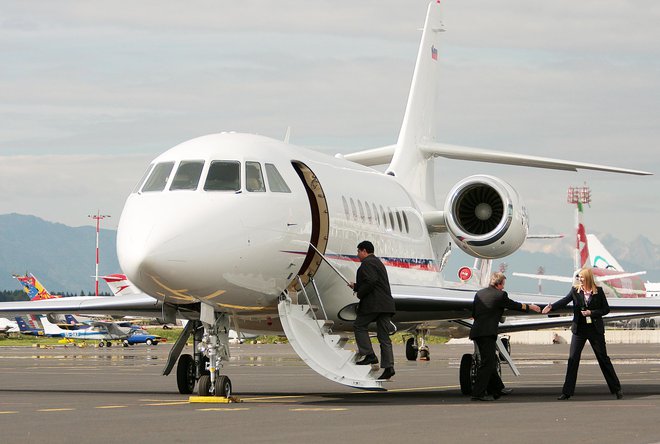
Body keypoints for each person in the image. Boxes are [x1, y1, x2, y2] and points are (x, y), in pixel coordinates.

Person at [542, 267, 623, 400]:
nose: (579, 279)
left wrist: (592, 313)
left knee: (603, 358)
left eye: (582, 277)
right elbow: (564, 301)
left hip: (595, 330)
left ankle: (616, 389)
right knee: (573, 359)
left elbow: (606, 309)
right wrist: (551, 307)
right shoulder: (575, 290)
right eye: (579, 277)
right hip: (579, 329)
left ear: (588, 278)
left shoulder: (599, 291)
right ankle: (567, 392)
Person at [469, 272, 540, 401]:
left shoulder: (479, 293)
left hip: (477, 332)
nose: (503, 287)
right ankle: (478, 393)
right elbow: (515, 305)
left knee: (489, 361)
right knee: (487, 363)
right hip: (487, 333)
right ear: (500, 284)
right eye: (503, 284)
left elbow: (474, 313)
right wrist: (531, 307)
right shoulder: (500, 295)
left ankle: (497, 388)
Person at [348, 240, 396, 380]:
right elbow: (375, 282)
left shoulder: (367, 263)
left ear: (364, 251)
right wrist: (356, 286)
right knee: (384, 337)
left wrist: (359, 293)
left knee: (359, 326)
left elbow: (371, 281)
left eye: (358, 251)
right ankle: (389, 367)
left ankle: (369, 354)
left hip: (374, 304)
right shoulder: (377, 263)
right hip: (386, 304)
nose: (357, 255)